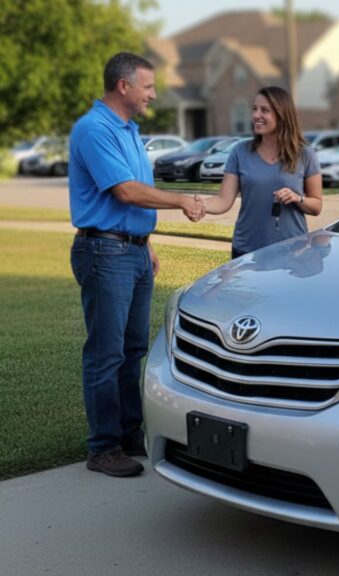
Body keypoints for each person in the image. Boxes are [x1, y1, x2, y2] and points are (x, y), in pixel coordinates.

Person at [69, 52, 205, 478]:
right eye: (148, 86)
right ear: (123, 86)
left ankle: (129, 434)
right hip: (104, 253)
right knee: (106, 353)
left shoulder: (128, 130)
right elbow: (125, 192)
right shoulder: (94, 129)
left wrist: (144, 243)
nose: (153, 94)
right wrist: (182, 199)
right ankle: (103, 447)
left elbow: (134, 196)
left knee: (133, 350)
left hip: (131, 251)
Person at [201, 86, 323, 258]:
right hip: (247, 250)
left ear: (282, 115)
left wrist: (298, 198)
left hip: (293, 251)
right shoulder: (240, 151)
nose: (256, 115)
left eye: (265, 110)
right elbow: (223, 200)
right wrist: (200, 205)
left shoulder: (304, 154)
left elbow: (316, 206)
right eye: (254, 109)